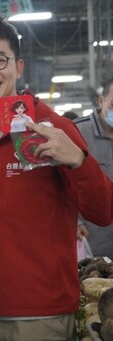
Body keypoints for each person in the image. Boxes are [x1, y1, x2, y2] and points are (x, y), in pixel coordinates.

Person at [0, 14, 113, 341]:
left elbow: (103, 212)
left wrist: (78, 161)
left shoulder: (54, 129)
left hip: (42, 312)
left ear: (18, 66)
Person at [74, 78, 113, 258]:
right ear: (101, 101)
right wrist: (75, 221)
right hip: (92, 233)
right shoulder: (78, 133)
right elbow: (58, 181)